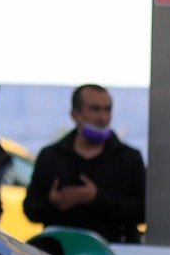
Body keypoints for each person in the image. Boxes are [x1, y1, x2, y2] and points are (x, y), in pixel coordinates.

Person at [23, 83, 146, 242]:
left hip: (113, 254)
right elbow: (30, 211)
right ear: (75, 115)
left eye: (107, 109)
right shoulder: (51, 156)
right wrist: (52, 203)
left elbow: (143, 212)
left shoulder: (128, 158)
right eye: (95, 109)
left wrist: (96, 198)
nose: (103, 118)